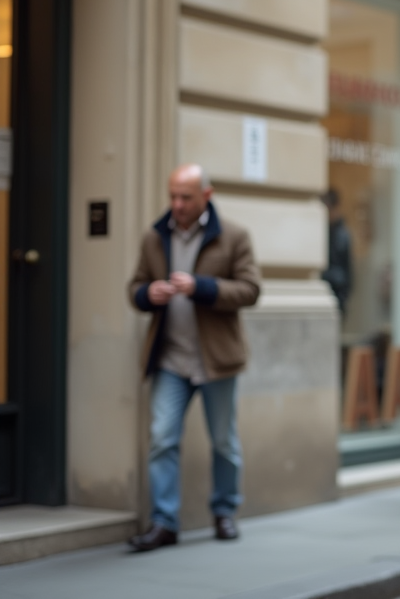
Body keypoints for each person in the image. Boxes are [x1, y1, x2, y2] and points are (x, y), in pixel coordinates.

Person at [126, 164, 261, 551]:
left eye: (185, 197)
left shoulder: (234, 236)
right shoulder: (155, 237)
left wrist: (201, 287)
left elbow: (251, 290)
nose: (177, 205)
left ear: (206, 195)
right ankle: (164, 523)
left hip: (217, 359)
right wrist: (145, 294)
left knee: (223, 442)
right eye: (172, 196)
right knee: (162, 438)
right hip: (171, 358)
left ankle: (224, 512)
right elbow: (133, 286)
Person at [320, 189, 353, 316]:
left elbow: (349, 271)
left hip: (337, 295)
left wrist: (343, 297)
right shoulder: (323, 231)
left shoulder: (342, 235)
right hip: (325, 293)